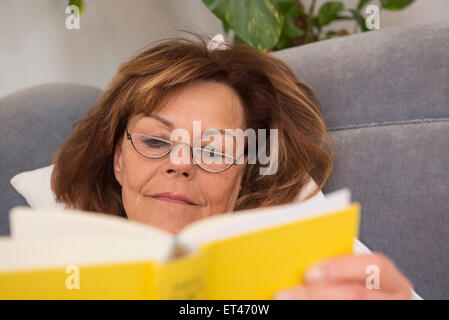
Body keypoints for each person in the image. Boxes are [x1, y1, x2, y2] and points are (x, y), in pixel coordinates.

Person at [51, 32, 417, 299]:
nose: (180, 165)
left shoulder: (300, 278)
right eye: (156, 142)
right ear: (118, 161)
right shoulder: (59, 274)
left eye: (214, 152)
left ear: (242, 176)